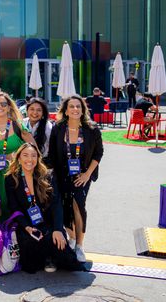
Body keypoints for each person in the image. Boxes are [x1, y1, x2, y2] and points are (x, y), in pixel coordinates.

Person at [5, 143, 84, 273]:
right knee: (30, 262)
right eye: (25, 155)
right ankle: (47, 256)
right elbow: (14, 208)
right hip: (27, 224)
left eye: (33, 156)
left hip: (48, 223)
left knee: (65, 255)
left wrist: (58, 229)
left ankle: (51, 256)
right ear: (18, 158)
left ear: (38, 158)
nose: (29, 159)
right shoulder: (11, 179)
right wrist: (26, 227)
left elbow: (56, 204)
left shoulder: (47, 175)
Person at [48, 95, 104, 263]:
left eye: (78, 106)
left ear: (83, 109)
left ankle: (79, 245)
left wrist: (87, 175)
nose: (75, 109)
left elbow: (98, 153)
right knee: (64, 207)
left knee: (78, 206)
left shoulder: (91, 129)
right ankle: (71, 237)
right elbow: (52, 154)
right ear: (65, 110)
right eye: (71, 106)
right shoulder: (58, 128)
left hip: (82, 176)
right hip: (62, 174)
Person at [0, 92, 36, 219]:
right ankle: (5, 235)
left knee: (20, 203)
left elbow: (33, 148)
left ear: (9, 107)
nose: (0, 106)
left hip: (21, 172)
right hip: (0, 173)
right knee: (3, 205)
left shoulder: (18, 124)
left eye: (4, 104)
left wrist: (16, 155)